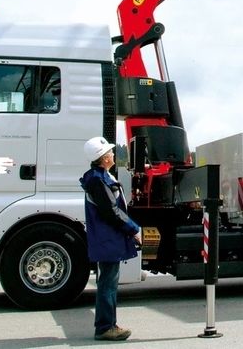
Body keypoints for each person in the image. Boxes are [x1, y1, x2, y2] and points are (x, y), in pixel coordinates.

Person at [81, 136, 142, 342]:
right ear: (104, 158)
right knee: (108, 283)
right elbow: (111, 211)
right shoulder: (98, 181)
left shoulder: (100, 177)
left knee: (108, 282)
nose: (113, 154)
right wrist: (133, 229)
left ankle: (108, 325)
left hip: (107, 237)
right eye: (110, 152)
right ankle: (106, 327)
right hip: (107, 238)